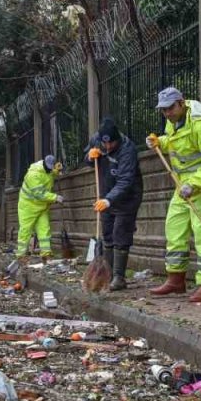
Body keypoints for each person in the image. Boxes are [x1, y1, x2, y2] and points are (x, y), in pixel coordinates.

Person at [145, 87, 201, 303]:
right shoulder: (172, 121)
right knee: (174, 227)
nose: (167, 113)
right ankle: (176, 279)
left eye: (170, 108)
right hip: (182, 185)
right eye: (163, 110)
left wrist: (193, 184)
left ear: (181, 103)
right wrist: (160, 142)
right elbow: (178, 142)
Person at [86, 117, 142, 290]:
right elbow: (87, 157)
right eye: (105, 145)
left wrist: (109, 200)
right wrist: (89, 156)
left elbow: (125, 181)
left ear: (117, 138)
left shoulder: (127, 149)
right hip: (105, 194)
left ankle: (119, 277)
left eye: (112, 144)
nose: (108, 147)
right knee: (108, 234)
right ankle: (106, 275)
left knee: (120, 233)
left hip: (126, 198)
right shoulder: (97, 140)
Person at [15, 154, 63, 261]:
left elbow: (49, 175)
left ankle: (46, 254)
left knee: (44, 229)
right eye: (49, 168)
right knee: (25, 230)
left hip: (42, 207)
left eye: (52, 168)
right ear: (44, 164)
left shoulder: (48, 170)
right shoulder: (33, 174)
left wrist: (57, 171)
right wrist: (55, 197)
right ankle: (21, 255)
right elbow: (39, 194)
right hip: (28, 207)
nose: (50, 170)